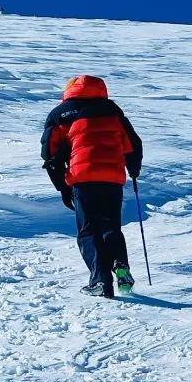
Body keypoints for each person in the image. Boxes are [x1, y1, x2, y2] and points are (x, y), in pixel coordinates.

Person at [41, 76, 143, 298]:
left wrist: (62, 187)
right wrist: (133, 170)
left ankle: (100, 281)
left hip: (82, 178)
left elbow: (49, 154)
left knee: (88, 230)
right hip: (112, 178)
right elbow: (133, 143)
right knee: (110, 226)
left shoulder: (61, 113)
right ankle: (121, 266)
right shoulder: (112, 110)